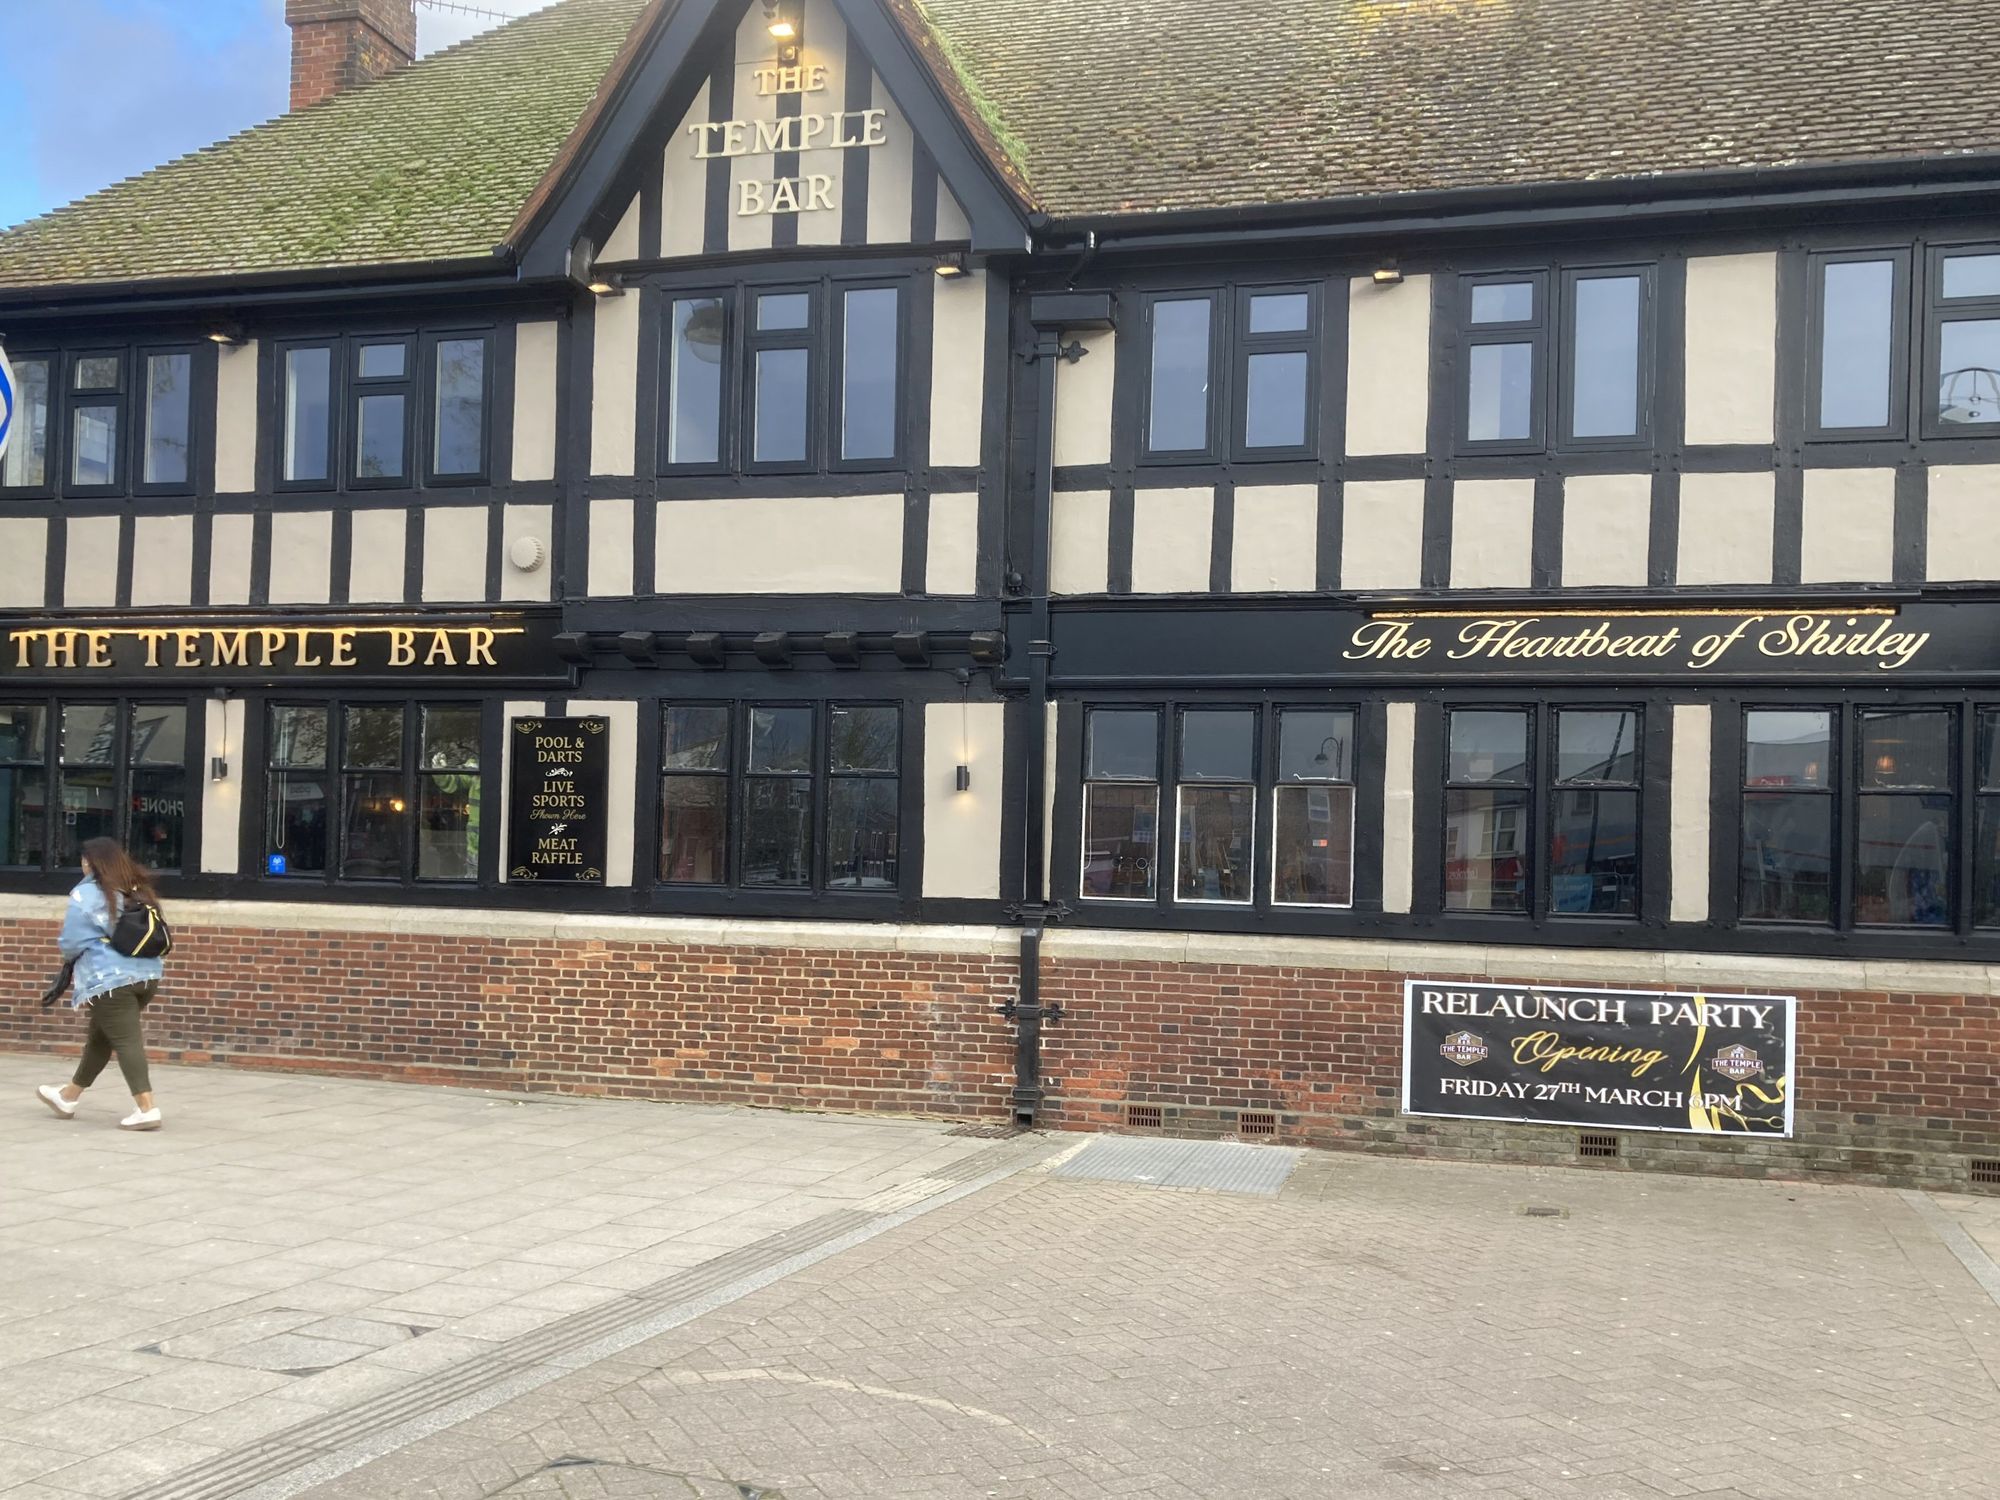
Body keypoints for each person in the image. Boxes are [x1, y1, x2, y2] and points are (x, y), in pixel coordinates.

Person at [36, 837, 168, 1131]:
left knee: (126, 1041)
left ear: (91, 863)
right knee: (100, 1039)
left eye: (84, 860)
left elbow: (70, 942)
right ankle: (67, 1097)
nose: (82, 865)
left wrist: (71, 955)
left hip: (109, 981)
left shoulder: (87, 894)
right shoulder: (138, 890)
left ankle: (147, 1108)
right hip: (147, 977)